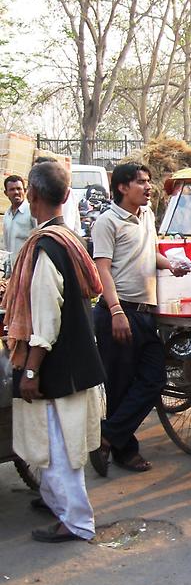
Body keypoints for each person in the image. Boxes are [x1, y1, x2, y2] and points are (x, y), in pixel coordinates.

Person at [1, 161, 105, 543]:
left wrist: (30, 370)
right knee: (60, 447)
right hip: (77, 360)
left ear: (32, 195)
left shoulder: (46, 247)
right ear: (65, 196)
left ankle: (76, 521)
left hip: (58, 366)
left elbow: (45, 318)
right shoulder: (69, 237)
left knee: (58, 448)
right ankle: (61, 508)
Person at [90, 162, 189, 476]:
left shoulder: (146, 215)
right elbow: (102, 268)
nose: (149, 188)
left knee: (154, 378)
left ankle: (107, 436)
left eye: (148, 182)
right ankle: (124, 450)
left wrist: (170, 264)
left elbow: (149, 253)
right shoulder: (107, 222)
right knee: (119, 386)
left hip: (146, 313)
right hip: (117, 313)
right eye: (142, 183)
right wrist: (116, 310)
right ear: (122, 187)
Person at [3, 175, 35, 273]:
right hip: (12, 269)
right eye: (12, 189)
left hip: (28, 268)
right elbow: (6, 245)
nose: (16, 192)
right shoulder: (7, 215)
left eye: (19, 189)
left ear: (25, 191)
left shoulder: (32, 211)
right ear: (6, 193)